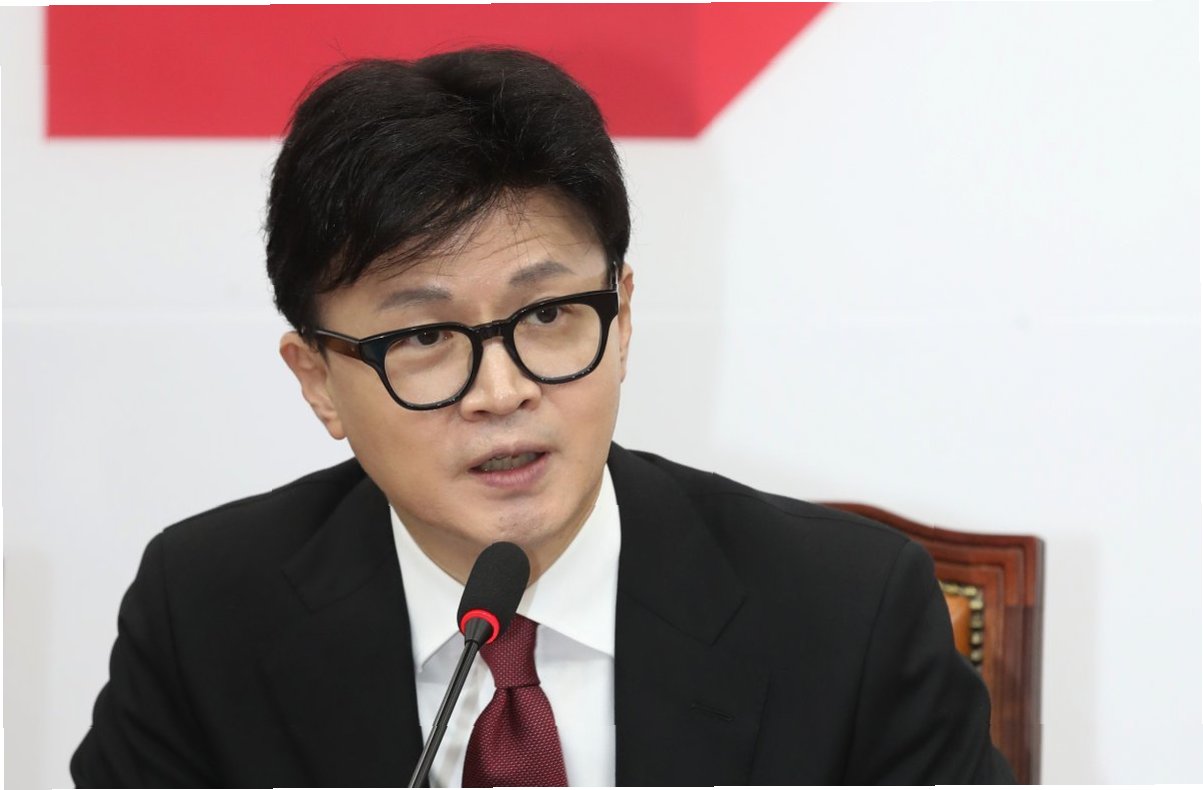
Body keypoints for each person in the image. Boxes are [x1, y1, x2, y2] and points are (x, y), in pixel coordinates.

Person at [71, 48, 1014, 787]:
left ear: (623, 318)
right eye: (426, 336)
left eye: (549, 315)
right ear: (318, 380)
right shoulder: (207, 615)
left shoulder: (846, 610)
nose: (501, 390)